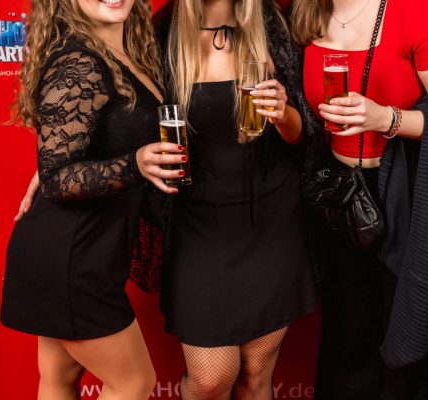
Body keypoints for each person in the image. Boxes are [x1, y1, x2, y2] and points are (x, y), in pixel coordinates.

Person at [291, 0, 428, 398]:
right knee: (346, 342)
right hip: (335, 196)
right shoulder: (305, 13)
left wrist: (386, 119)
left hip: (401, 196)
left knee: (404, 340)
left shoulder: (416, 13)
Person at [0, 1, 184, 399]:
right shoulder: (78, 63)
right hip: (70, 258)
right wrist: (135, 164)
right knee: (133, 382)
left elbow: (77, 152)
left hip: (87, 251)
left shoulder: (132, 53)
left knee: (58, 378)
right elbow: (57, 179)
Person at [154, 1, 317, 398]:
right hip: (199, 228)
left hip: (271, 222)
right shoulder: (161, 34)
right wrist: (58, 164)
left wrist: (283, 114)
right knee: (211, 379)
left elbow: (303, 136)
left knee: (256, 375)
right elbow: (118, 112)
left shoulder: (272, 27)